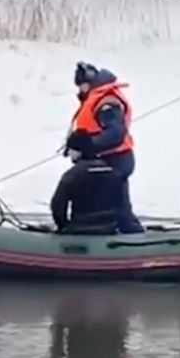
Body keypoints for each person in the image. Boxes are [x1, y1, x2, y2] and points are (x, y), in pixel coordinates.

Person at [66, 62, 145, 233]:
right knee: (112, 206)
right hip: (102, 159)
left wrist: (90, 144)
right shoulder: (94, 99)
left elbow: (116, 133)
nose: (80, 90)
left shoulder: (107, 102)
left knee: (117, 207)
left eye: (82, 86)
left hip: (115, 160)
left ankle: (129, 236)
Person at [50, 130, 125, 234]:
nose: (69, 154)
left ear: (78, 152)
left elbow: (57, 205)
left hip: (79, 230)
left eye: (70, 150)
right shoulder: (114, 173)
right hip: (108, 229)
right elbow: (122, 205)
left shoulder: (72, 175)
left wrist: (63, 226)